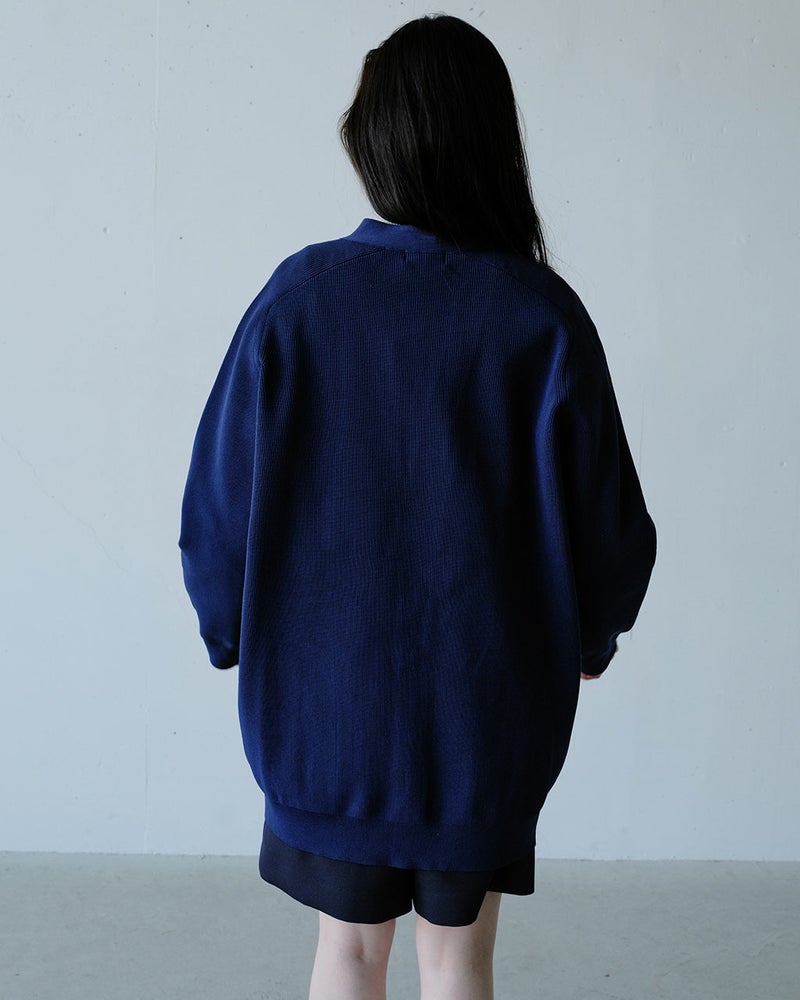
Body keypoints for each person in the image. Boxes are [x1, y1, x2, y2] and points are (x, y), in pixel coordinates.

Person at [178, 13, 657, 1000]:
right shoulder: (539, 315)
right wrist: (591, 636)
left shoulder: (297, 299)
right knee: (458, 960)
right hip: (482, 718)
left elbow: (219, 508)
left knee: (347, 955)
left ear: (376, 143)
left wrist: (227, 631)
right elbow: (607, 521)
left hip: (324, 713)